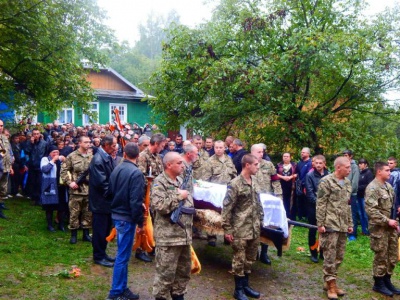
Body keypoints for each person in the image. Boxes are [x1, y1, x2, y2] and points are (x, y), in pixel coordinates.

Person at [151, 152, 194, 300]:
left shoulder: (181, 180)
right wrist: (178, 196)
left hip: (184, 236)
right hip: (168, 238)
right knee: (165, 276)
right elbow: (159, 205)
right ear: (169, 165)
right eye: (179, 163)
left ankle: (178, 296)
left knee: (183, 274)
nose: (183, 166)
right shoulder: (160, 182)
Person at [106, 143, 145, 300]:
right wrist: (141, 223)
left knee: (123, 255)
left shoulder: (117, 168)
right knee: (122, 256)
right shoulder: (136, 173)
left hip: (117, 215)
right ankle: (115, 292)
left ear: (125, 153)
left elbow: (110, 192)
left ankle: (121, 288)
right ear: (139, 155)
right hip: (126, 218)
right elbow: (135, 201)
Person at [222, 154, 262, 300]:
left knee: (250, 258)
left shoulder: (255, 181)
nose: (258, 167)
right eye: (256, 164)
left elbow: (258, 203)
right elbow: (227, 208)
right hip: (240, 228)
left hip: (254, 227)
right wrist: (227, 229)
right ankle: (238, 289)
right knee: (239, 258)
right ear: (247, 165)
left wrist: (261, 221)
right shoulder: (235, 184)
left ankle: (246, 285)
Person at [316, 156, 353, 300]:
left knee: (339, 255)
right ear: (339, 167)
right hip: (330, 224)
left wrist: (350, 223)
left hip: (343, 224)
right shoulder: (326, 181)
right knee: (330, 256)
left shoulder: (347, 183)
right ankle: (330, 285)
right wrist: (320, 224)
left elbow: (348, 204)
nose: (350, 170)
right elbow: (321, 203)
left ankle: (330, 280)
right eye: (347, 167)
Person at [365, 162, 400, 297]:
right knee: (381, 255)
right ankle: (378, 282)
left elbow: (392, 206)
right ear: (379, 171)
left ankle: (387, 280)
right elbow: (371, 211)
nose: (389, 173)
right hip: (379, 228)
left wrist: (395, 221)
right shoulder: (372, 188)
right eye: (387, 170)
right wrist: (387, 221)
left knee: (391, 255)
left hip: (391, 228)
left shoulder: (389, 187)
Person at [136, 132, 166, 262]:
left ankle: (151, 245)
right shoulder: (143, 156)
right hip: (145, 194)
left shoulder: (157, 157)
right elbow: (140, 176)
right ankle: (140, 249)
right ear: (156, 144)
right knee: (144, 222)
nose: (163, 148)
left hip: (156, 195)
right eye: (162, 145)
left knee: (154, 222)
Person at [89, 135, 117, 268]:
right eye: (113, 145)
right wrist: (113, 195)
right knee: (99, 230)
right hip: (100, 202)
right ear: (105, 145)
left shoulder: (106, 157)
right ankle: (98, 256)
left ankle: (103, 253)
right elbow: (102, 183)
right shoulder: (98, 159)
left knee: (105, 229)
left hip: (106, 201)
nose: (115, 147)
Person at [202, 140, 237, 246]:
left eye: (221, 147)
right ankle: (211, 236)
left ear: (224, 148)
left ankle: (227, 234)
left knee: (227, 213)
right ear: (214, 147)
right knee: (213, 214)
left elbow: (234, 174)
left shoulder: (229, 159)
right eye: (216, 147)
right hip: (214, 192)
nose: (218, 149)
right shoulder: (210, 161)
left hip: (227, 191)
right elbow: (205, 178)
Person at [60, 136, 93, 244]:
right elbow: (63, 171)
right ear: (79, 143)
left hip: (88, 190)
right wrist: (70, 182)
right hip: (76, 190)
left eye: (89, 142)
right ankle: (73, 235)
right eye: (86, 142)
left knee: (87, 213)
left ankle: (86, 234)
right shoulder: (72, 156)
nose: (88, 144)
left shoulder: (91, 157)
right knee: (74, 213)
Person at [251, 143, 279, 265]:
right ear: (252, 152)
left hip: (266, 201)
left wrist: (279, 196)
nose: (261, 154)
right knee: (253, 225)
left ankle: (264, 252)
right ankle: (254, 250)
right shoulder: (247, 163)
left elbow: (275, 180)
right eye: (258, 152)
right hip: (253, 199)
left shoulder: (268, 165)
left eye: (262, 152)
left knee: (266, 225)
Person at [305, 155, 329, 263]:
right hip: (313, 207)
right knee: (313, 229)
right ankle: (313, 252)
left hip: (327, 208)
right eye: (316, 163)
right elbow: (309, 193)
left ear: (324, 163)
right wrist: (320, 204)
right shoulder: (309, 175)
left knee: (325, 230)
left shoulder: (329, 175)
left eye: (320, 163)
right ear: (314, 164)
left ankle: (323, 252)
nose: (318, 165)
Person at [40, 146, 65, 232]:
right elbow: (45, 169)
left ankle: (61, 225)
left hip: (60, 186)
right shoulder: (45, 159)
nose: (56, 154)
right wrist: (53, 160)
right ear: (50, 153)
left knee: (61, 207)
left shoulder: (61, 160)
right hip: (49, 185)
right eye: (54, 152)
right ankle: (50, 225)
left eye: (57, 152)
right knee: (49, 207)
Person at [25, 128, 48, 205]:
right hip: (32, 165)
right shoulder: (29, 142)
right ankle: (34, 198)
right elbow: (27, 152)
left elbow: (46, 153)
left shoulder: (44, 143)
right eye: (34, 134)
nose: (36, 135)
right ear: (32, 135)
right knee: (33, 182)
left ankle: (39, 198)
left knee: (39, 182)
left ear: (40, 134)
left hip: (40, 165)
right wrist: (31, 143)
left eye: (37, 134)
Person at [342, 150, 360, 241]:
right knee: (344, 213)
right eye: (344, 155)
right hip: (342, 194)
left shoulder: (354, 167)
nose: (345, 157)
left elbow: (355, 183)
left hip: (351, 194)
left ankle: (353, 234)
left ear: (350, 156)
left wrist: (348, 193)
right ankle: (345, 232)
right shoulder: (342, 165)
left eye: (346, 155)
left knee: (352, 214)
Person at [276, 153, 297, 218]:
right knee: (282, 199)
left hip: (291, 185)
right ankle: (281, 215)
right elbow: (275, 173)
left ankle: (289, 215)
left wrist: (290, 177)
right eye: (284, 156)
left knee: (290, 200)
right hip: (281, 184)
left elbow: (297, 174)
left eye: (287, 156)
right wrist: (283, 177)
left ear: (290, 157)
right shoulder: (278, 165)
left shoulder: (294, 165)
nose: (286, 157)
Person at [357, 158, 374, 236]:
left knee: (365, 214)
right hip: (358, 196)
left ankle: (369, 230)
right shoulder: (359, 173)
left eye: (361, 163)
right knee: (360, 214)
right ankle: (364, 230)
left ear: (366, 164)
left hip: (365, 196)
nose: (360, 165)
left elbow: (369, 185)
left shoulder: (369, 173)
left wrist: (358, 187)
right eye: (359, 163)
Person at [294, 147, 312, 221]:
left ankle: (308, 217)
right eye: (301, 152)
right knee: (300, 200)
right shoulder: (299, 163)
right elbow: (297, 173)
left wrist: (304, 183)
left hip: (307, 185)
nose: (302, 153)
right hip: (299, 185)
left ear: (308, 153)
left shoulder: (310, 163)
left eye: (303, 152)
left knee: (307, 201)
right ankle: (300, 216)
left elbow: (309, 174)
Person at [0, 120, 14, 213]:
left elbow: (9, 150)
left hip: (6, 167)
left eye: (1, 125)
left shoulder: (4, 137)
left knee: (2, 188)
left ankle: (0, 205)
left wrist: (11, 164)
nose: (0, 127)